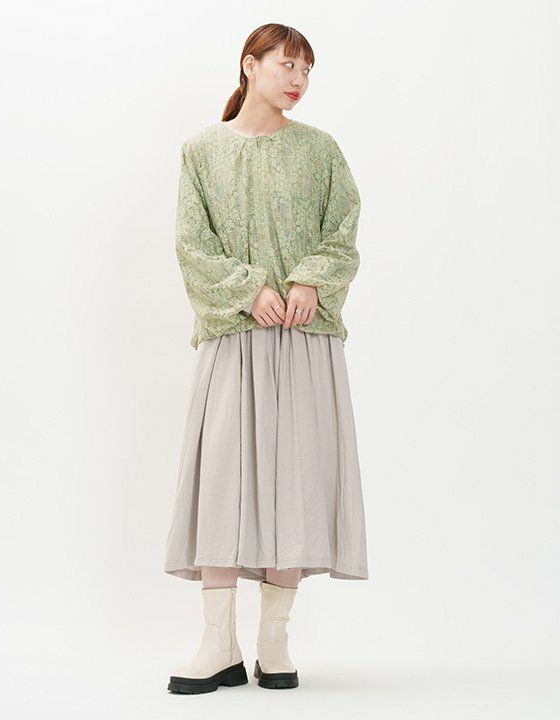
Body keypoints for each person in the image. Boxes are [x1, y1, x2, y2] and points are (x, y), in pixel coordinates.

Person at [164, 23, 369, 694]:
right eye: (287, 65)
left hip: (303, 341)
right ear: (249, 65)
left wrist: (310, 279)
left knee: (294, 482)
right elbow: (192, 245)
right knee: (222, 480)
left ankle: (273, 642)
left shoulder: (320, 150)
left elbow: (343, 229)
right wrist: (248, 290)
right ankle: (217, 643)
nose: (298, 80)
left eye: (307, 69)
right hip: (233, 336)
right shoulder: (202, 151)